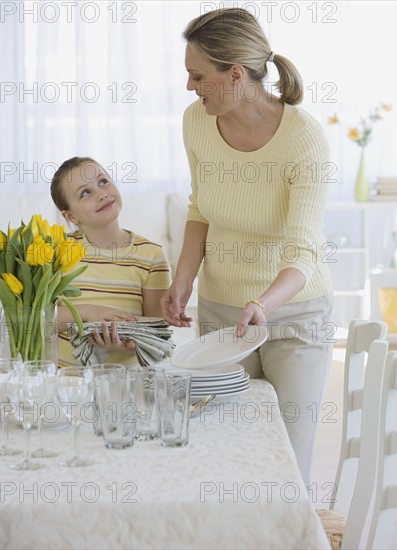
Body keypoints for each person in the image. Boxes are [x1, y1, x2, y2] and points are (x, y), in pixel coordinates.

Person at [161, 7, 333, 485]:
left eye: (198, 76)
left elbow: (303, 251)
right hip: (222, 312)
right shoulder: (196, 122)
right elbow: (200, 209)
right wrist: (182, 280)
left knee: (286, 464)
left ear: (235, 74)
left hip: (294, 315)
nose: (191, 87)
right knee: (224, 454)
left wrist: (262, 303)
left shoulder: (305, 139)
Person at [51, 156, 170, 367]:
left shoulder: (151, 255)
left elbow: (158, 334)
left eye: (103, 181)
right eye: (85, 192)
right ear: (70, 217)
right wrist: (88, 312)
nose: (101, 193)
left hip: (123, 381)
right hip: (67, 381)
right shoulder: (57, 250)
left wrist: (126, 342)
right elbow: (37, 320)